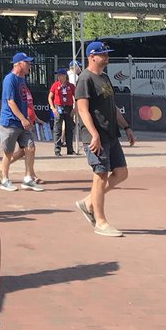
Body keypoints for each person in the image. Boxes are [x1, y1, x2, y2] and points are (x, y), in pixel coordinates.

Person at [74, 40, 135, 237]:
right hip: (96, 137)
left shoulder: (105, 77)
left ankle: (88, 202)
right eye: (103, 54)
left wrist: (126, 127)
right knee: (100, 176)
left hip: (111, 134)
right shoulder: (85, 79)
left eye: (107, 53)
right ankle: (100, 222)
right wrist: (94, 134)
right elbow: (82, 110)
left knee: (121, 173)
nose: (106, 57)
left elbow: (113, 106)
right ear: (91, 57)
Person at [0, 53, 44, 192]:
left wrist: (27, 118)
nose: (29, 65)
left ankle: (28, 179)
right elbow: (10, 102)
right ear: (18, 64)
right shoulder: (9, 79)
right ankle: (4, 180)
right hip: (10, 122)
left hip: (23, 122)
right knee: (8, 152)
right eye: (26, 63)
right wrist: (23, 119)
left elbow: (25, 101)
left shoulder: (22, 79)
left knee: (30, 148)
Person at [48, 65, 77, 156]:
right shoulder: (55, 85)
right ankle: (57, 150)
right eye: (58, 75)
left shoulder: (71, 86)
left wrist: (75, 108)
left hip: (68, 107)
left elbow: (77, 97)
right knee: (58, 129)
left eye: (60, 75)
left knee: (69, 129)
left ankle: (70, 149)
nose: (58, 77)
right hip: (58, 107)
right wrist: (53, 108)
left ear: (65, 76)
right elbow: (50, 97)